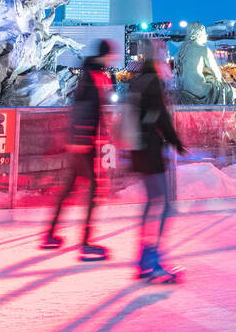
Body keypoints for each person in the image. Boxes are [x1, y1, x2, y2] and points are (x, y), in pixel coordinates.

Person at [42, 40, 113, 260]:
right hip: (84, 143)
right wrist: (85, 140)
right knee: (93, 192)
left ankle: (51, 234)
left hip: (79, 142)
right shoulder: (93, 78)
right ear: (104, 56)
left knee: (69, 190)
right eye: (109, 57)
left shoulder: (89, 74)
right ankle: (85, 242)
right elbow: (85, 110)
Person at [127, 41, 186, 281]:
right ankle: (153, 261)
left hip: (138, 150)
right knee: (164, 205)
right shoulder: (152, 83)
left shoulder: (137, 81)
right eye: (163, 57)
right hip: (149, 149)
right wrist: (176, 141)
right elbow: (159, 115)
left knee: (153, 203)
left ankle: (144, 260)